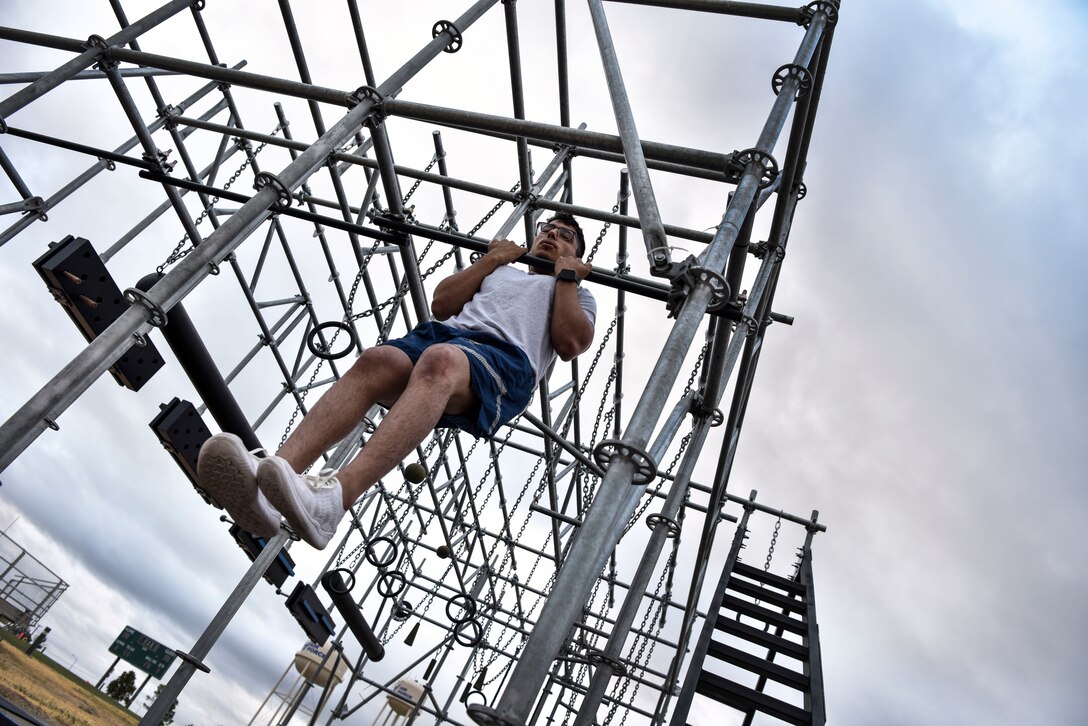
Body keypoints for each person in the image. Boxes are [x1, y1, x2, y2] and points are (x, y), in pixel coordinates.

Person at [197, 214, 596, 549]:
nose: (551, 236)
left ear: (576, 255)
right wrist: (491, 260)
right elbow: (442, 303)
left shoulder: (578, 293)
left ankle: (336, 499)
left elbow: (571, 342)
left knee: (442, 362)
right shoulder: (502, 270)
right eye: (546, 228)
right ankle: (271, 480)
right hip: (447, 334)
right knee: (377, 359)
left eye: (565, 236)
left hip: (504, 358)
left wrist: (566, 279)